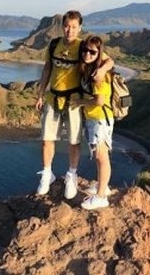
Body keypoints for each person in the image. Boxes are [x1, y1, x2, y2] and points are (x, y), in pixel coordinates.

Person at [34, 11, 113, 199]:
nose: (70, 30)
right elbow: (47, 68)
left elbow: (109, 60)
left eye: (74, 27)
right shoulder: (54, 45)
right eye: (67, 26)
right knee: (47, 139)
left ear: (80, 28)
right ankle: (47, 174)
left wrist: (101, 70)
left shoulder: (83, 47)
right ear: (62, 26)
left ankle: (72, 175)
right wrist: (39, 94)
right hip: (53, 99)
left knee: (74, 141)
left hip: (74, 102)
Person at [72, 34, 114, 210]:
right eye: (85, 50)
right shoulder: (90, 68)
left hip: (99, 118)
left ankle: (101, 197)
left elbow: (99, 101)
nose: (87, 54)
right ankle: (101, 186)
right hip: (94, 118)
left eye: (92, 52)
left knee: (101, 156)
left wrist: (80, 102)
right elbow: (109, 60)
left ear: (99, 54)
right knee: (100, 155)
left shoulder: (99, 75)